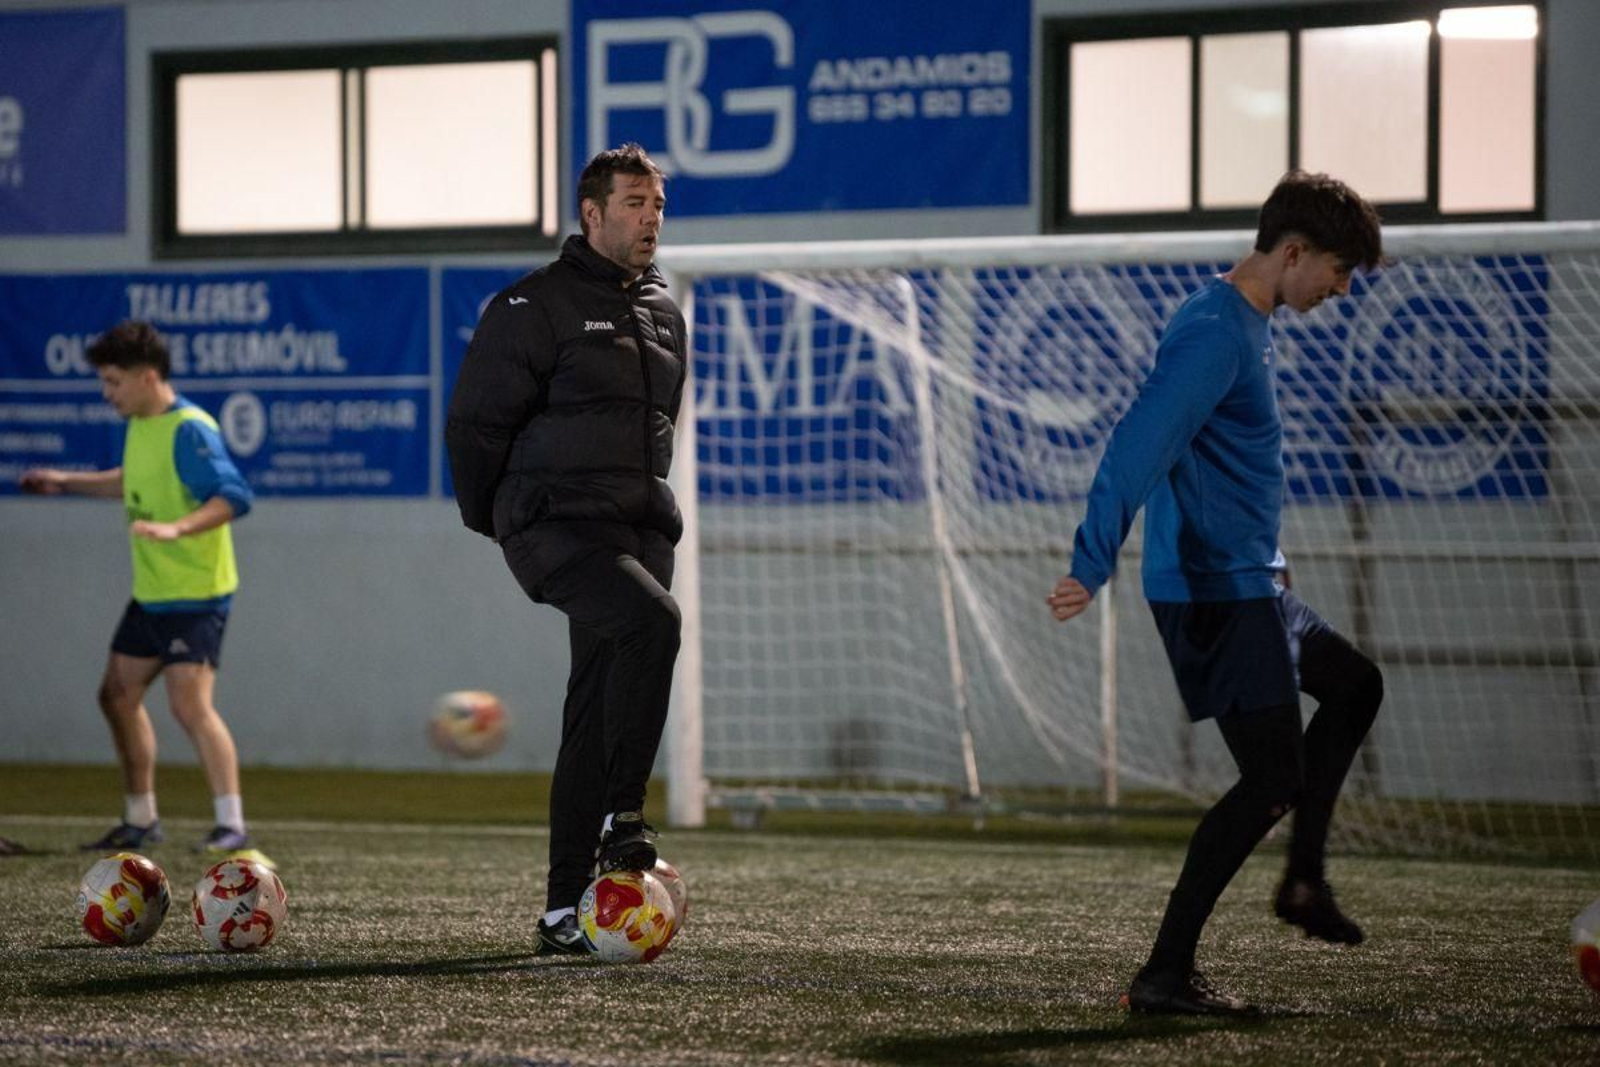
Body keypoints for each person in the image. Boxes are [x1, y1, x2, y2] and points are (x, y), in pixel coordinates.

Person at [1047, 170, 1386, 1016]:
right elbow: (1137, 445)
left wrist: (1270, 558)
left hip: (1250, 581)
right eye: (1339, 270)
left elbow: (1224, 466)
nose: (1342, 289)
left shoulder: (1243, 320)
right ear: (1295, 252)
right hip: (1215, 592)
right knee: (1272, 777)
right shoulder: (1215, 334)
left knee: (1355, 686)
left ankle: (1302, 881)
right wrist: (1091, 560)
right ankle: (1166, 972)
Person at [445, 143, 686, 956]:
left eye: (658, 205)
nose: (651, 219)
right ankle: (625, 818)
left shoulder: (665, 311)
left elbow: (660, 428)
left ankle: (560, 911)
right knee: (654, 622)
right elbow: (474, 427)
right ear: (592, 213)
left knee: (592, 703)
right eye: (635, 204)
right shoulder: (532, 305)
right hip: (555, 525)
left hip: (636, 529)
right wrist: (501, 519)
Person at [21, 321, 255, 854]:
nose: (107, 394)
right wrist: (65, 481)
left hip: (195, 595)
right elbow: (131, 481)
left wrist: (178, 528)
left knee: (189, 707)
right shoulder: (142, 425)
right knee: (117, 696)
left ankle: (231, 824)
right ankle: (140, 819)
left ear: (148, 377)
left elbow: (234, 496)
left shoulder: (190, 429)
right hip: (151, 594)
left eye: (113, 382)